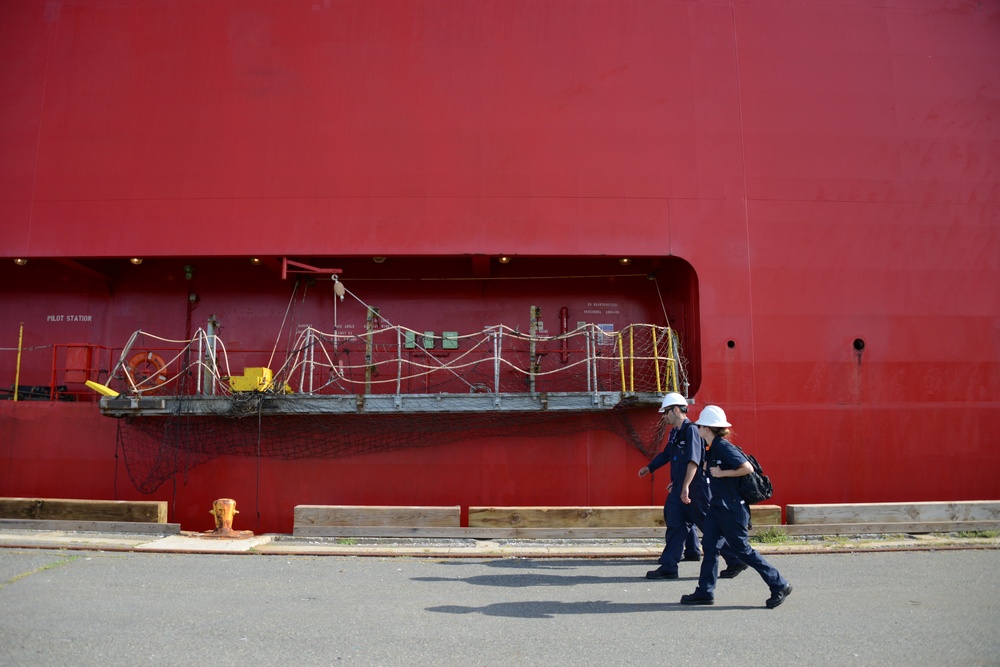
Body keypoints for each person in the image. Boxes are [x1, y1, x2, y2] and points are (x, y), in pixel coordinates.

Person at [680, 405, 792, 609]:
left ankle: (779, 584)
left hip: (732, 509)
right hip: (718, 507)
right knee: (710, 547)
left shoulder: (723, 447)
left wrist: (722, 473)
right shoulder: (711, 448)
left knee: (743, 550)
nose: (697, 428)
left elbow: (746, 468)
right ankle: (705, 592)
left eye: (700, 425)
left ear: (707, 428)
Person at [639, 393, 745, 580]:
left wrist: (685, 486)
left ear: (677, 410)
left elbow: (693, 461)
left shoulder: (691, 431)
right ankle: (669, 566)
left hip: (696, 489)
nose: (665, 416)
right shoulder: (675, 433)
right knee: (675, 523)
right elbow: (667, 454)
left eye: (666, 412)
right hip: (681, 486)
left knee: (708, 525)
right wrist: (650, 467)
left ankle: (735, 559)